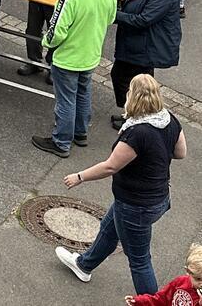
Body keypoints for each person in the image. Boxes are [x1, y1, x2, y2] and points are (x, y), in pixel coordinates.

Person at [55, 75, 186, 296]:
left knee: (139, 261)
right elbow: (180, 153)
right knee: (109, 229)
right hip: (158, 198)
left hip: (136, 204)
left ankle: (152, 302)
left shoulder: (137, 133)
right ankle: (84, 265)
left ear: (132, 97)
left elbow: (110, 167)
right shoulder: (169, 119)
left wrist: (79, 176)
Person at [32, 0, 120, 157]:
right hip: (90, 54)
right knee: (83, 94)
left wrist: (46, 43)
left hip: (68, 57)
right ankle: (80, 133)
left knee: (65, 101)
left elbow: (57, 30)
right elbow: (110, 18)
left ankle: (61, 141)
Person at [110, 0, 184, 130]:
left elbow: (143, 19)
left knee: (128, 81)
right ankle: (132, 114)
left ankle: (136, 117)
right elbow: (140, 6)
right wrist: (124, 0)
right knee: (129, 80)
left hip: (146, 46)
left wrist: (113, 15)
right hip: (139, 44)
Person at [122, 243, 202, 306]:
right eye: (198, 279)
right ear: (188, 272)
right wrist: (139, 301)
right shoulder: (180, 282)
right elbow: (161, 298)